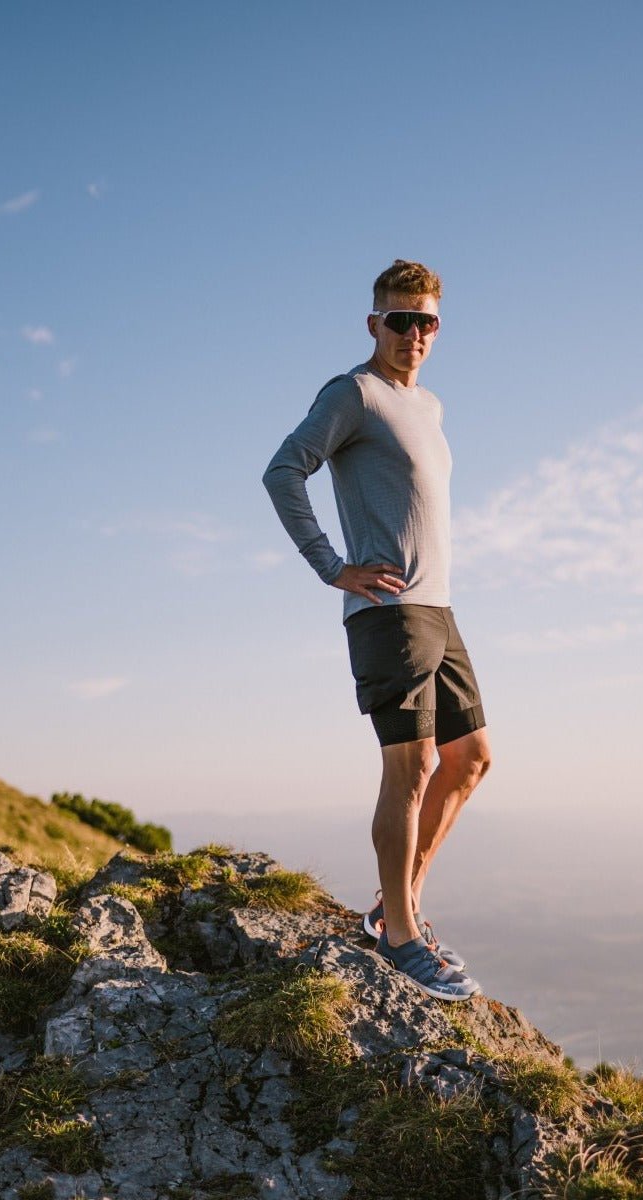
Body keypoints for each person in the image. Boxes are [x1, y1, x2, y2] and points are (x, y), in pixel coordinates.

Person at [262, 259, 491, 1002]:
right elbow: (283, 471)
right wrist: (332, 565)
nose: (413, 335)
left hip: (439, 609)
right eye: (400, 320)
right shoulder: (352, 394)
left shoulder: (431, 407)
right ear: (374, 324)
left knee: (472, 760)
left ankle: (399, 907)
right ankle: (399, 941)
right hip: (386, 612)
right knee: (414, 766)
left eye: (426, 322)